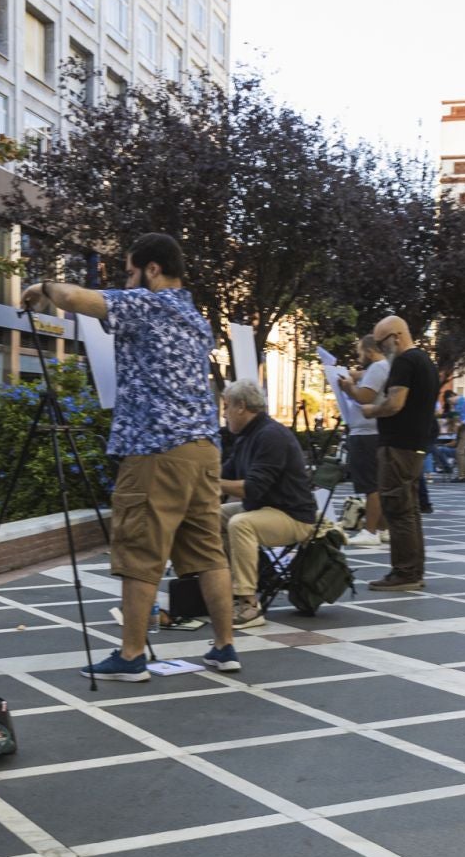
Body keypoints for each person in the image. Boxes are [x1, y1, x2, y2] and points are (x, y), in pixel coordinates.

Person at [23, 233, 240, 678]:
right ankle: (224, 647)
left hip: (155, 449)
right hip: (202, 451)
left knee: (140, 550)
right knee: (208, 553)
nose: (128, 281)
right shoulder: (194, 318)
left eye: (130, 271)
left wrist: (43, 288)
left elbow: (76, 298)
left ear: (152, 270)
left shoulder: (147, 304)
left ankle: (130, 655)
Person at [339, 315, 438, 592]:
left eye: (383, 343)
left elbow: (395, 403)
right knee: (409, 509)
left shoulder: (405, 362)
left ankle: (405, 572)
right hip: (413, 444)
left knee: (397, 508)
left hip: (398, 445)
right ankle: (412, 570)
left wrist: (372, 410)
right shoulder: (423, 361)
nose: (381, 350)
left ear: (396, 336)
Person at [217, 380, 317, 627]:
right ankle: (223, 586)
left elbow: (252, 488)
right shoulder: (247, 435)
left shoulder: (271, 436)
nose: (223, 413)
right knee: (213, 515)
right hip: (264, 509)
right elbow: (225, 475)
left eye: (226, 406)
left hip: (293, 516)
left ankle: (249, 604)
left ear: (241, 406)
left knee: (241, 524)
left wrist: (208, 482)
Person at [342, 335, 389, 548]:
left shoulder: (378, 367)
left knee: (371, 485)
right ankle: (382, 528)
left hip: (367, 433)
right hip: (371, 432)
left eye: (360, 352)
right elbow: (362, 375)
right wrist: (352, 375)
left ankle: (370, 531)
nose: (359, 357)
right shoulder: (381, 367)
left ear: (369, 351)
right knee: (376, 484)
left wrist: (347, 388)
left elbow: (364, 397)